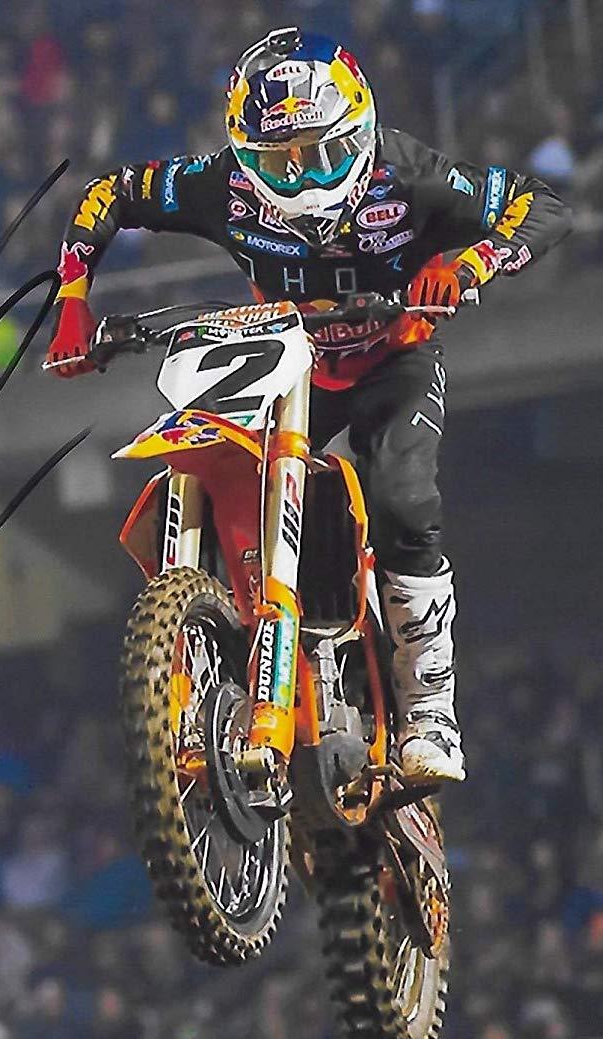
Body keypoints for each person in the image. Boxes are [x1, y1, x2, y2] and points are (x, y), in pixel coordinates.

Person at [45, 27, 573, 783]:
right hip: (288, 362)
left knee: (402, 500)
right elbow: (112, 193)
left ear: (360, 133)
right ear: (244, 155)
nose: (301, 180)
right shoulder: (219, 185)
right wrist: (72, 301)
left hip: (394, 356)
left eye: (323, 155)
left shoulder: (408, 173)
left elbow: (541, 205)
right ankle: (226, 663)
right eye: (277, 163)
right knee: (214, 470)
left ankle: (429, 711)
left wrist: (469, 264)